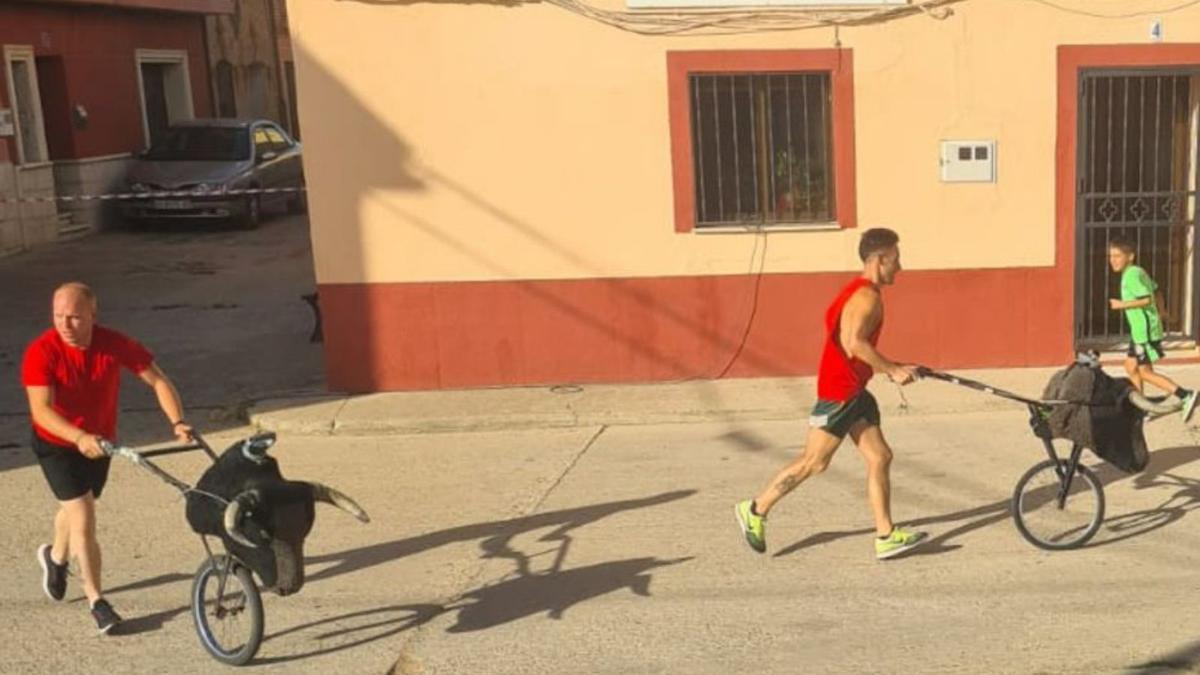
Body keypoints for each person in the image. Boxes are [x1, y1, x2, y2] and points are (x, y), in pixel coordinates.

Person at [734, 228, 928, 560]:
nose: (900, 267)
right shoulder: (867, 297)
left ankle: (885, 535)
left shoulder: (859, 291)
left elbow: (854, 343)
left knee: (879, 457)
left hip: (854, 391)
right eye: (896, 260)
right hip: (840, 393)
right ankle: (755, 509)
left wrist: (894, 364)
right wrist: (892, 371)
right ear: (879, 260)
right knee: (814, 462)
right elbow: (854, 343)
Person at [22, 282, 193, 634]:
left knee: (74, 508)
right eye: (58, 316)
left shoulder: (113, 344)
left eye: (74, 317)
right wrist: (78, 436)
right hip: (57, 442)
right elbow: (41, 410)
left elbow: (158, 381)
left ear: (92, 316)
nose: (65, 325)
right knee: (83, 515)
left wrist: (178, 422)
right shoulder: (41, 351)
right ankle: (97, 601)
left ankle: (55, 558)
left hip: (100, 443)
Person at [1107, 236, 1197, 423]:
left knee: (1145, 372)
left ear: (1130, 256)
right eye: (1111, 256)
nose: (1112, 260)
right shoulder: (1138, 271)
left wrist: (1121, 304)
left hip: (1144, 332)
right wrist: (1162, 312)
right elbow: (1157, 291)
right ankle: (1141, 408)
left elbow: (1146, 298)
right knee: (1130, 367)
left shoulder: (1132, 274)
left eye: (1117, 256)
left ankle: (1185, 395)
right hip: (1140, 331)